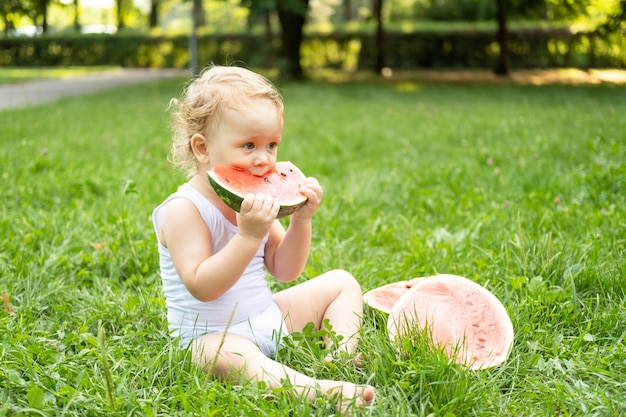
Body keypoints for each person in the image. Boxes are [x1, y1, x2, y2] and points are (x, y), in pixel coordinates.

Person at [152, 65, 375, 412]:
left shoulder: (257, 200)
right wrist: (246, 236)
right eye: (248, 145)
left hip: (268, 317)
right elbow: (202, 286)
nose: (263, 159)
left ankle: (340, 357)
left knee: (342, 282)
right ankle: (315, 389)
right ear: (202, 148)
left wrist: (302, 221)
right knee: (215, 355)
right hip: (214, 336)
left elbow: (284, 270)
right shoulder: (184, 210)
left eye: (271, 145)